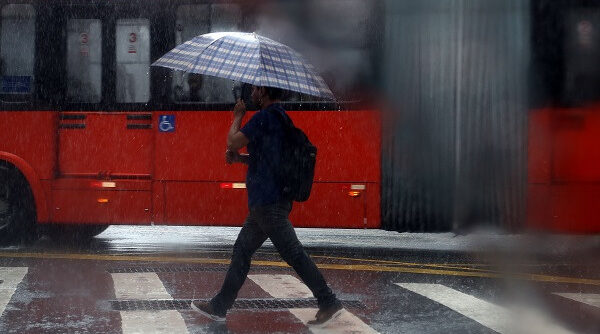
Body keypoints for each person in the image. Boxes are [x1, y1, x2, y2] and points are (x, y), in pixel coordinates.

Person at [190, 85, 344, 327]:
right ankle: (219, 306)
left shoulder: (264, 117)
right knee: (242, 251)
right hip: (269, 201)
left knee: (293, 254)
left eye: (255, 89)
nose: (251, 92)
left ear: (263, 93)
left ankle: (328, 301)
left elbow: (232, 141)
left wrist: (238, 116)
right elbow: (267, 159)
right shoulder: (280, 117)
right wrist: (241, 159)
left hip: (267, 203)